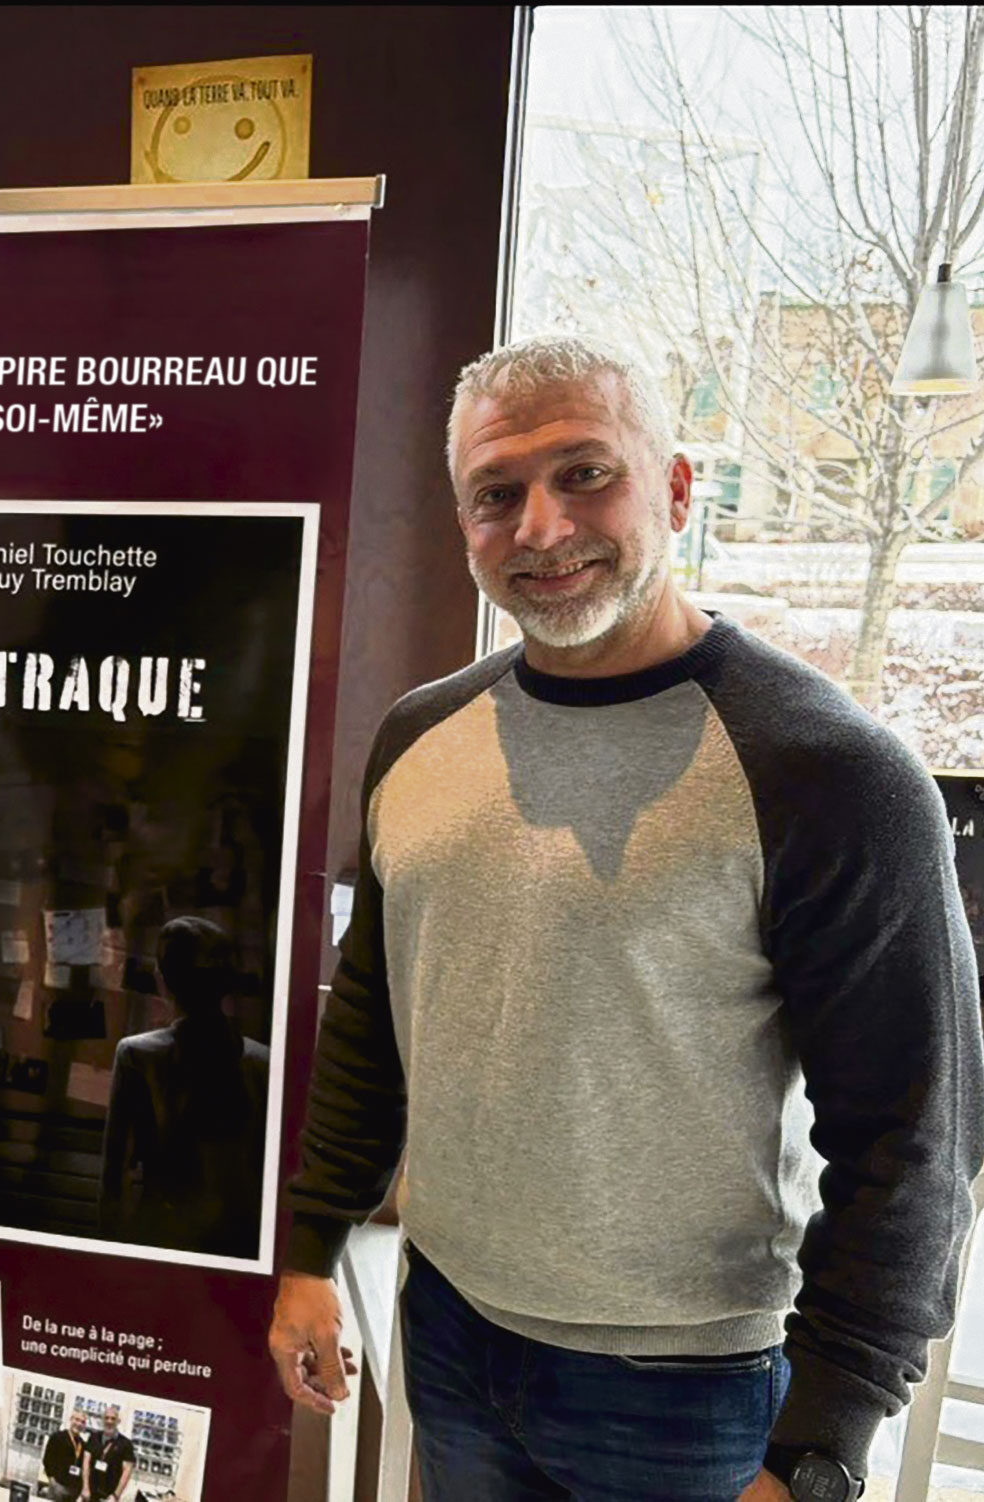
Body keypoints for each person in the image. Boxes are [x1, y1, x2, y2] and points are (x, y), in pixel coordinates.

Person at [268, 334, 983, 1502]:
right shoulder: (419, 739)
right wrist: (312, 1246)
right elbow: (371, 1026)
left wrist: (817, 1448)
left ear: (680, 487)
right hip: (449, 1332)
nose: (541, 526)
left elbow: (917, 1135)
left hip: (690, 1396)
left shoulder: (828, 771)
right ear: (466, 524)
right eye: (497, 493)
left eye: (586, 472)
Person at [100, 915, 270, 1257]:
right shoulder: (263, 1061)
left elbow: (114, 1175)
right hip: (239, 1239)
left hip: (160, 1235)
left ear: (163, 981)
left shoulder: (136, 1055)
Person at [85, 1406, 137, 1501]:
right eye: (106, 1418)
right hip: (90, 1492)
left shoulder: (126, 1444)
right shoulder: (93, 1437)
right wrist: (85, 1487)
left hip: (109, 1496)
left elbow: (127, 1471)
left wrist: (115, 1495)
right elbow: (86, 1462)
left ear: (118, 1421)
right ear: (102, 1420)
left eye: (113, 1418)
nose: (109, 1421)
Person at [40, 1405, 90, 1502]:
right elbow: (47, 1460)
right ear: (71, 1420)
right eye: (77, 1420)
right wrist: (52, 1481)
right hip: (57, 1486)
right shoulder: (57, 1437)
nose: (79, 1424)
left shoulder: (83, 1444)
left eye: (82, 1422)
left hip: (74, 1490)